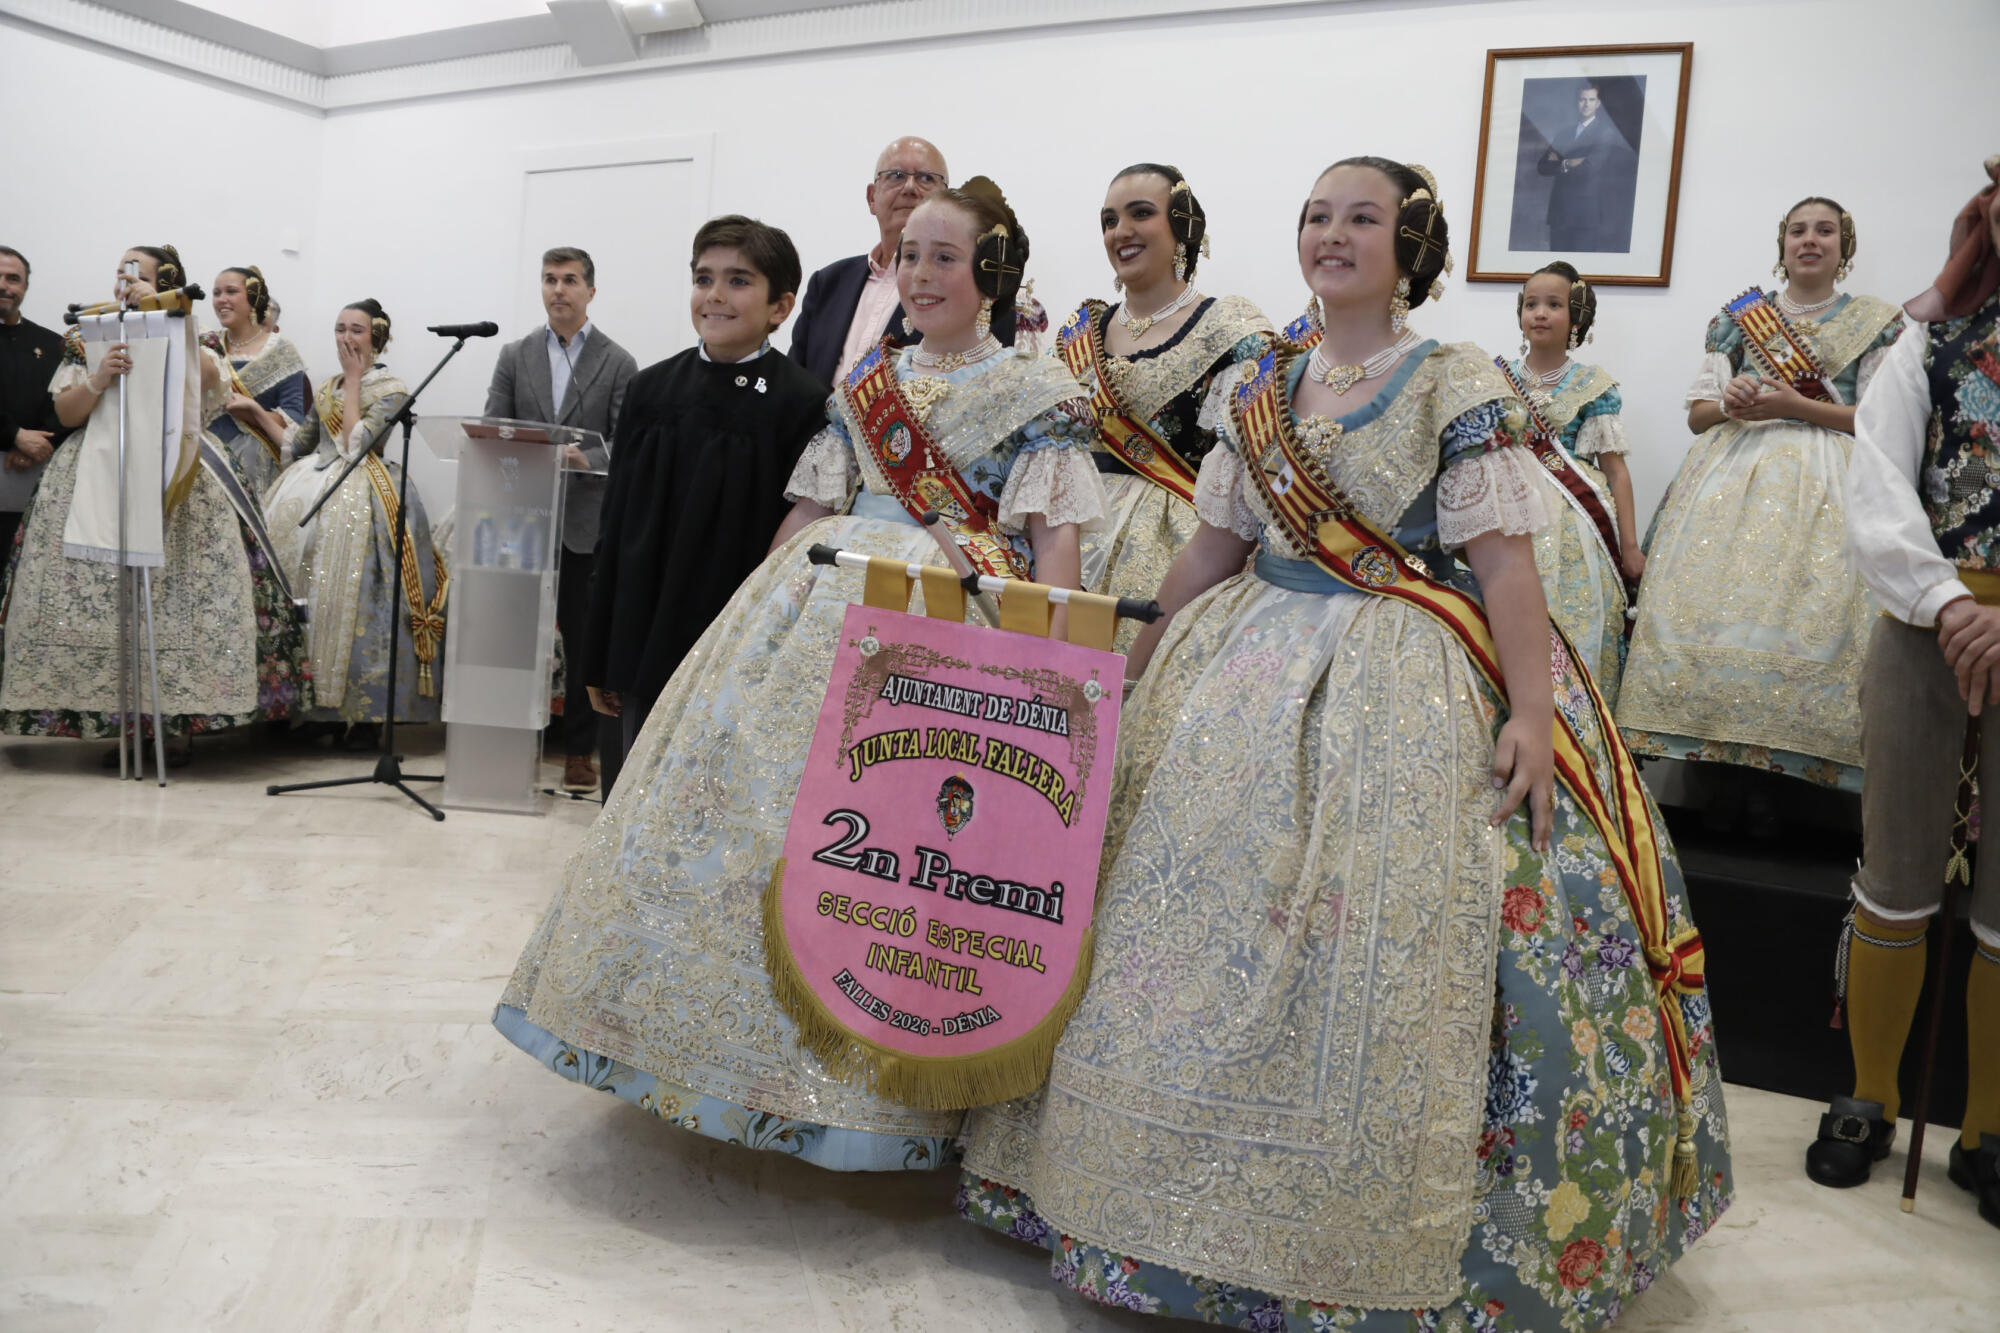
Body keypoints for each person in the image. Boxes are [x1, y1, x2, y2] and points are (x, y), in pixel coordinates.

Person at [957, 157, 1731, 1328]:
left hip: (1400, 674)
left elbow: (1503, 568)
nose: (1331, 234)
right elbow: (1210, 548)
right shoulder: (1260, 383)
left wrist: (1530, 714)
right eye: (1316, 215)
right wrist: (1137, 661)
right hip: (1239, 662)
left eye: (1360, 218)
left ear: (1408, 245)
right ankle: (1134, 1195)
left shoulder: (1452, 381)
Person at [497, 178, 1106, 1170]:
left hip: (947, 629)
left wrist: (1050, 664)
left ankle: (860, 1088)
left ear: (991, 272)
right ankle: (696, 1045)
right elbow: (812, 510)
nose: (920, 275)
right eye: (909, 256)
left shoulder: (1038, 396)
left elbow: (1054, 545)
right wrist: (751, 615)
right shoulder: (868, 382)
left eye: (944, 257)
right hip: (826, 604)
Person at [1813, 155, 2000, 1227]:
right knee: (1892, 866)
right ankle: (1868, 1097)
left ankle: (1986, 1129)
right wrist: (1947, 602)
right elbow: (1877, 483)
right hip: (1924, 621)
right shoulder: (1923, 343)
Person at [1621, 199, 1904, 817]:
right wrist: (1733, 399)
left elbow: (1880, 421)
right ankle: (1719, 778)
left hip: (1833, 482)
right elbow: (1699, 417)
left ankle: (1798, 791)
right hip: (1730, 478)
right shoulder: (1738, 321)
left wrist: (1795, 407)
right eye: (1798, 231)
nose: (1810, 240)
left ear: (1844, 247)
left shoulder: (1876, 322)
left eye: (1824, 231)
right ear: (1782, 245)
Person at [0, 245, 312, 752]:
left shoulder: (195, 333)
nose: (125, 284)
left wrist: (170, 320)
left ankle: (179, 721)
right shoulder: (88, 334)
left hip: (180, 469)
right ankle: (116, 718)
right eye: (120, 274)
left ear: (163, 283)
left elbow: (208, 383)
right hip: (98, 467)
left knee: (178, 599)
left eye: (137, 276)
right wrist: (99, 378)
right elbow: (67, 413)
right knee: (105, 605)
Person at [579, 216, 826, 795]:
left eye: (738, 281)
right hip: (640, 634)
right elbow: (613, 527)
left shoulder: (802, 403)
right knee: (628, 795)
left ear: (781, 306)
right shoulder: (650, 390)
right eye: (703, 278)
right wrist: (598, 651)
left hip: (730, 641)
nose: (714, 294)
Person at [1056, 164, 1271, 652]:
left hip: (1181, 543)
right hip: (1068, 530)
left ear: (1182, 227)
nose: (1121, 231)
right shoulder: (1078, 332)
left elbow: (1250, 466)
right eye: (1110, 220)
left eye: (1141, 214)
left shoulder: (1231, 329)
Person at [481, 246, 637, 794]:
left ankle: (578, 751)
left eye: (570, 280)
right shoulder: (514, 355)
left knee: (581, 641)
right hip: (522, 518)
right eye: (550, 279)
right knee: (512, 635)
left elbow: (626, 442)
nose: (558, 290)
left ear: (590, 291)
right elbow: (493, 427)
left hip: (584, 526)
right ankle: (506, 741)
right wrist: (522, 452)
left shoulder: (618, 362)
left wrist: (584, 458)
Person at [264, 300, 443, 750]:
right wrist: (252, 410)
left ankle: (366, 717)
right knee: (311, 596)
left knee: (368, 607)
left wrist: (356, 380)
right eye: (340, 328)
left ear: (376, 337)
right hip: (315, 493)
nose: (346, 337)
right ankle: (317, 710)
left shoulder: (392, 390)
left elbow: (354, 447)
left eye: (356, 330)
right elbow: (300, 445)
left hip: (369, 499)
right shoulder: (328, 387)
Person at [1505, 260, 1640, 703]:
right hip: (1506, 511)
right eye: (1531, 304)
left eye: (1554, 305)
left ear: (1577, 318)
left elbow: (1615, 470)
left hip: (1573, 525)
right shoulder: (1494, 378)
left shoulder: (1593, 386)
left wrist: (1630, 547)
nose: (1540, 313)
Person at [789, 136, 950, 385]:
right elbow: (794, 381)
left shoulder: (958, 288)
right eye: (896, 176)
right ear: (872, 198)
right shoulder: (828, 283)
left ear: (946, 201)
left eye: (926, 178)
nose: (909, 188)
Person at [203, 266, 307, 495]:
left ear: (254, 299)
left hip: (256, 464)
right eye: (217, 293)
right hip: (207, 457)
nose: (221, 299)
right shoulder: (207, 346)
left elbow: (294, 419)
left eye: (231, 291)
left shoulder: (281, 351)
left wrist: (254, 411)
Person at [0, 245, 67, 560]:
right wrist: (14, 435)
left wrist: (40, 442)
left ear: (25, 287)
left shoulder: (53, 344)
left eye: (13, 279)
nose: (4, 286)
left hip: (32, 480)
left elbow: (66, 405)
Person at [1538, 80, 1633, 252]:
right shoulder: (1563, 134)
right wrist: (1567, 162)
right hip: (1559, 214)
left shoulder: (1605, 134)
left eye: (1591, 100)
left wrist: (1558, 163)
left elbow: (1588, 170)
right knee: (1557, 265)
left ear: (1598, 104)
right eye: (1582, 99)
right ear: (1577, 102)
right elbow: (1542, 167)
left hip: (1584, 215)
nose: (1586, 104)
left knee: (1581, 266)